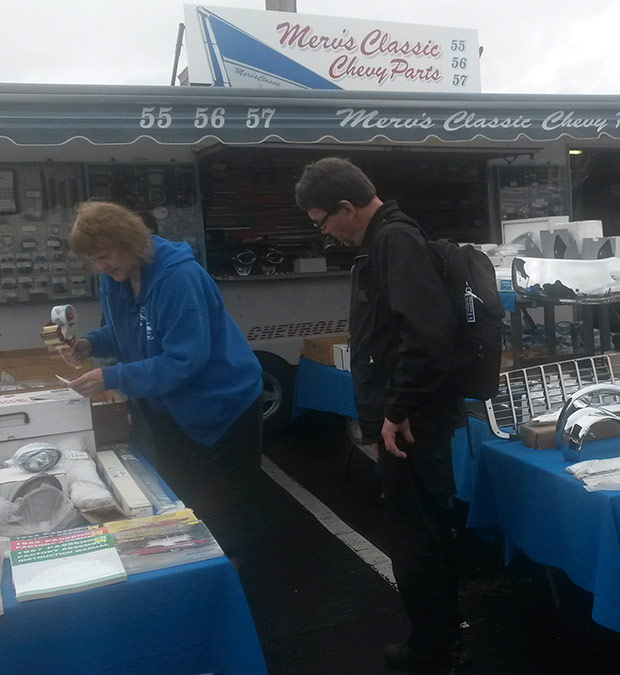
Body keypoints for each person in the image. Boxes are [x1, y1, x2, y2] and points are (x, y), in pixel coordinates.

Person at [294, 158, 463, 674]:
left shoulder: (394, 241)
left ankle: (432, 649)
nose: (324, 232)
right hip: (409, 417)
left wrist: (397, 409)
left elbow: (427, 334)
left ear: (346, 208)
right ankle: (439, 636)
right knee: (422, 531)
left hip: (410, 424)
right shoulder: (387, 240)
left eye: (322, 221)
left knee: (417, 537)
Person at [61, 200, 263, 565]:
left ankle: (232, 573)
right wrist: (91, 344)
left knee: (225, 507)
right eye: (93, 261)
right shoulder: (116, 277)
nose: (101, 267)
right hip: (170, 404)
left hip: (220, 402)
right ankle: (194, 561)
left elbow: (184, 361)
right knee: (180, 492)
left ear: (129, 241)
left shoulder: (178, 278)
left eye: (105, 256)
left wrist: (113, 376)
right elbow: (126, 331)